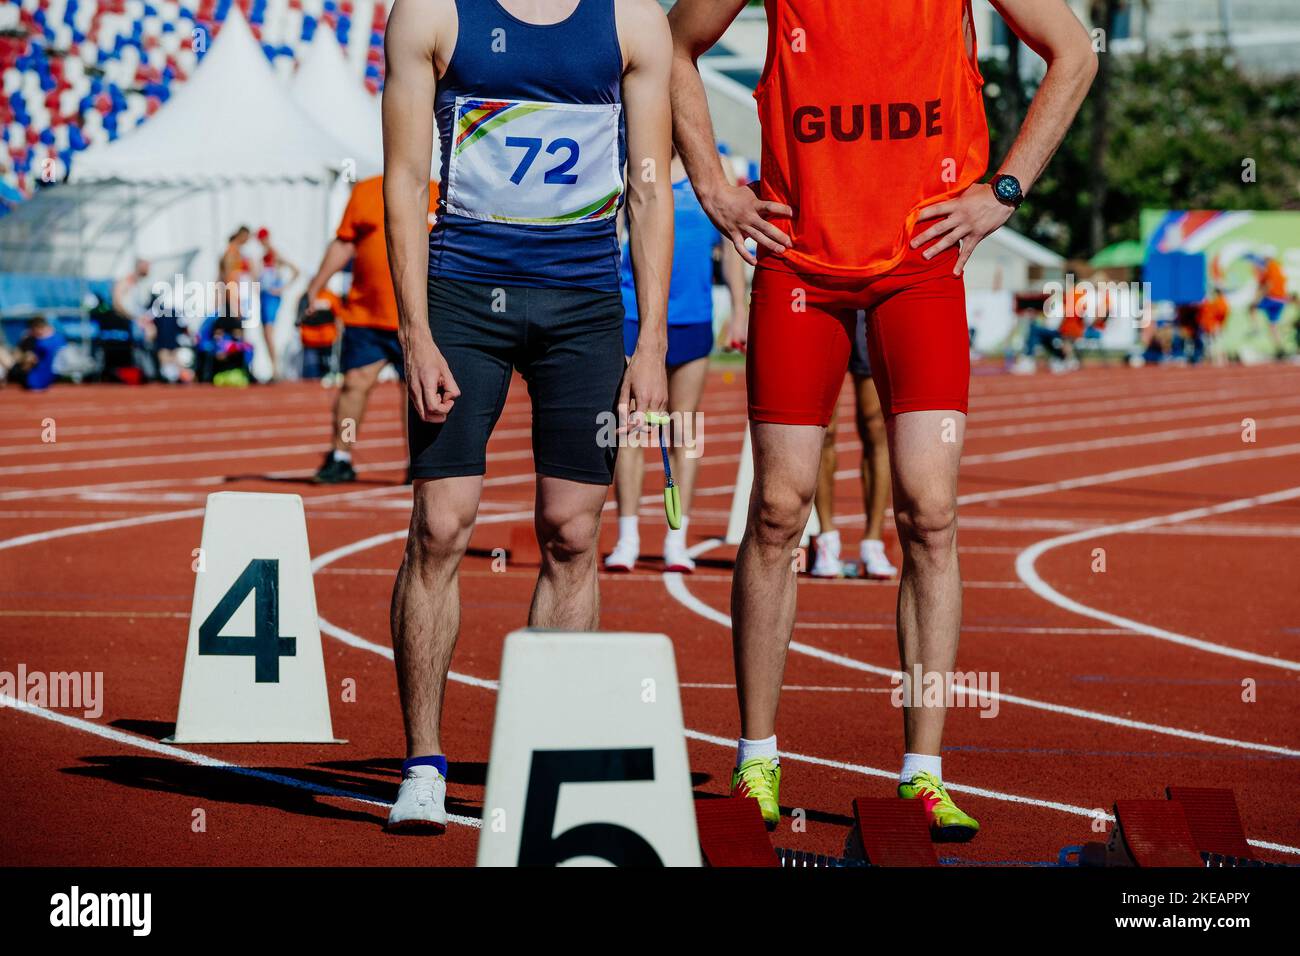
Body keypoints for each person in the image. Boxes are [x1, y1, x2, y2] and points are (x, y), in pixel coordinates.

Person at [669, 0, 1096, 836]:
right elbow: (674, 42)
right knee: (778, 509)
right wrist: (713, 186)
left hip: (920, 266)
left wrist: (1004, 190)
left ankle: (923, 773)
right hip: (799, 264)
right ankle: (757, 758)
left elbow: (1074, 52)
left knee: (930, 514)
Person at [381, 0, 673, 832]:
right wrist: (416, 334)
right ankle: (425, 765)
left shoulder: (633, 22)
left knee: (573, 533)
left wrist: (649, 341)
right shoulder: (433, 14)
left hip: (583, 304)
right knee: (441, 524)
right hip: (464, 297)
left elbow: (650, 193)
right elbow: (404, 180)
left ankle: (544, 752)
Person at [605, 148, 749, 573]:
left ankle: (676, 540)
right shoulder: (632, 163)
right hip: (633, 314)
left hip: (692, 316)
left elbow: (729, 243)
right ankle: (627, 537)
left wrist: (739, 311)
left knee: (682, 428)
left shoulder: (716, 165)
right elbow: (614, 238)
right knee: (631, 427)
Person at [304, 175, 436, 483]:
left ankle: (419, 463)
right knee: (354, 385)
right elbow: (344, 243)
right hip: (367, 315)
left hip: (420, 317)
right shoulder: (366, 190)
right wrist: (315, 288)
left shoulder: (437, 192)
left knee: (417, 391)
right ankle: (341, 455)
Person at [810, 313, 897, 580]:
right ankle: (826, 539)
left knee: (875, 427)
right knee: (823, 428)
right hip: (824, 298)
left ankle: (873, 542)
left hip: (868, 302)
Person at [256, 227, 300, 381]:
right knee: (266, 333)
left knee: (269, 331)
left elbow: (296, 270)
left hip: (271, 297)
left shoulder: (275, 254)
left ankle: (276, 368)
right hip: (264, 295)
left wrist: (282, 287)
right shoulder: (262, 256)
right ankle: (273, 367)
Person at [7, 317, 66, 390]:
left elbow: (29, 360)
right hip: (47, 380)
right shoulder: (59, 338)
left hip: (33, 380)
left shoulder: (39, 343)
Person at [1250, 254, 1289, 359]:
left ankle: (1255, 328)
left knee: (1252, 307)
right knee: (1273, 326)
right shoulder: (1278, 267)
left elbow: (1268, 284)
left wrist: (1257, 298)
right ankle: (1280, 348)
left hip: (1273, 297)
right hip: (1281, 299)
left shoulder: (1271, 266)